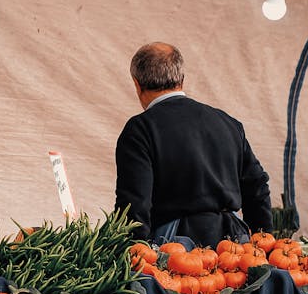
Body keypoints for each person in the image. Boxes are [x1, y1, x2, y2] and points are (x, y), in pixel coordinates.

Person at [114, 42, 272, 247]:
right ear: (181, 79)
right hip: (234, 248)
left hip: (176, 250)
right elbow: (257, 187)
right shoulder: (228, 123)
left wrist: (132, 255)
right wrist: (264, 243)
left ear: (136, 83)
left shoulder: (140, 129)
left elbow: (134, 204)